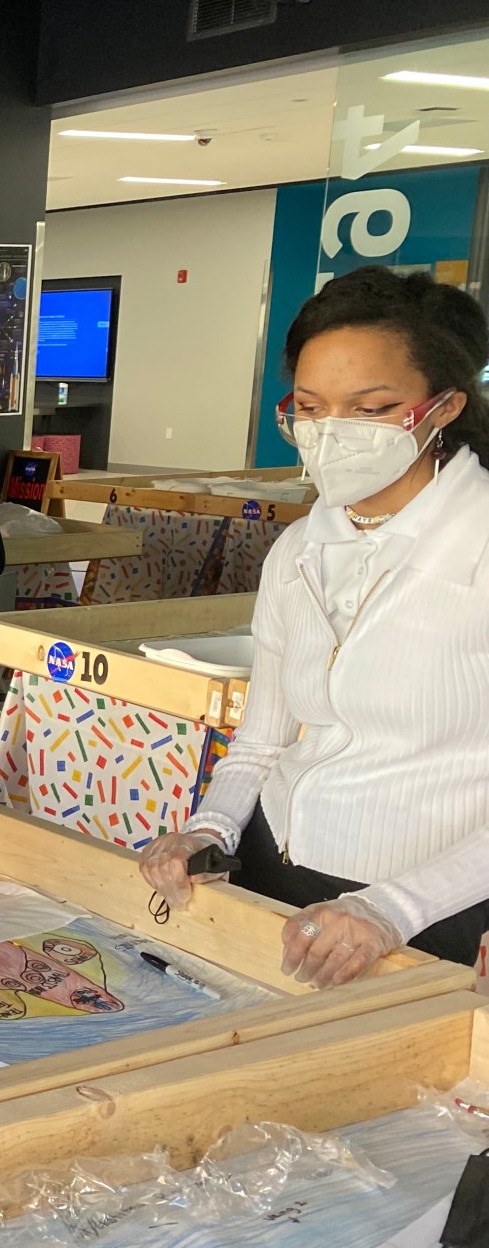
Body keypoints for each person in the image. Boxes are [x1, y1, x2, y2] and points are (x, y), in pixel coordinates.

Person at [139, 265, 489, 982]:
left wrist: (392, 907)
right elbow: (264, 739)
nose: (332, 434)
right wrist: (209, 830)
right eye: (309, 405)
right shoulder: (300, 548)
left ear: (444, 406)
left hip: (427, 912)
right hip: (278, 876)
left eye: (370, 409)